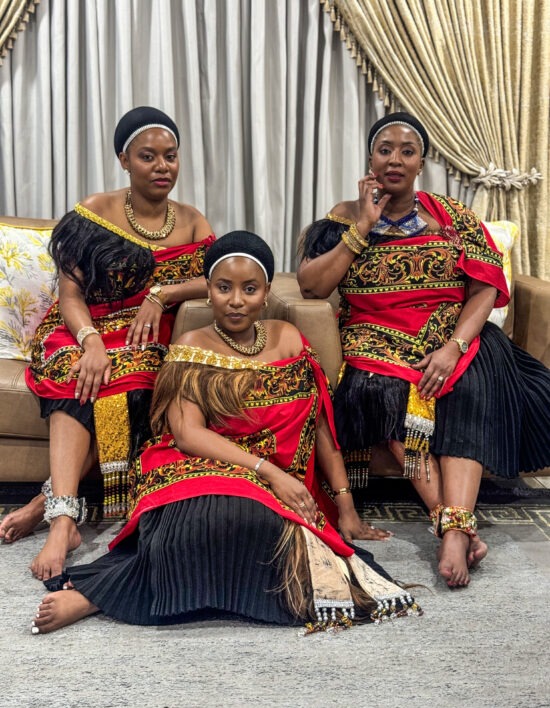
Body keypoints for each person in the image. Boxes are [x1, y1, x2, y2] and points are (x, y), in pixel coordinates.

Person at [30, 231, 422, 635]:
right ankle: (96, 595)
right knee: (193, 525)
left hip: (271, 484)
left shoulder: (289, 339)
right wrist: (269, 472)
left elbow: (319, 424)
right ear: (209, 291)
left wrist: (346, 507)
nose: (236, 300)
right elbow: (188, 435)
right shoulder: (191, 345)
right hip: (197, 464)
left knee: (254, 524)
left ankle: (100, 596)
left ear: (266, 293)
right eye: (223, 288)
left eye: (249, 289)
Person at [297, 112, 550, 588]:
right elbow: (312, 286)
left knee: (471, 387)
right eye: (385, 150)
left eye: (407, 151)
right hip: (374, 339)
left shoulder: (452, 216)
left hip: (453, 335)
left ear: (421, 162)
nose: (395, 159)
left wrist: (454, 347)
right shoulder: (344, 217)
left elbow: (484, 289)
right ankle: (451, 523)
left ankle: (454, 530)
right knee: (385, 397)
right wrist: (363, 225)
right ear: (370, 159)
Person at [0, 106, 215, 581]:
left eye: (170, 155)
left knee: (133, 384)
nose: (162, 166)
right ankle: (63, 522)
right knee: (77, 373)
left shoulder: (192, 220)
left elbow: (220, 278)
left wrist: (163, 293)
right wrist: (91, 342)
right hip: (83, 326)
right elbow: (70, 296)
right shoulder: (94, 211)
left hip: (143, 338)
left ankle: (44, 503)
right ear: (124, 160)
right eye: (148, 156)